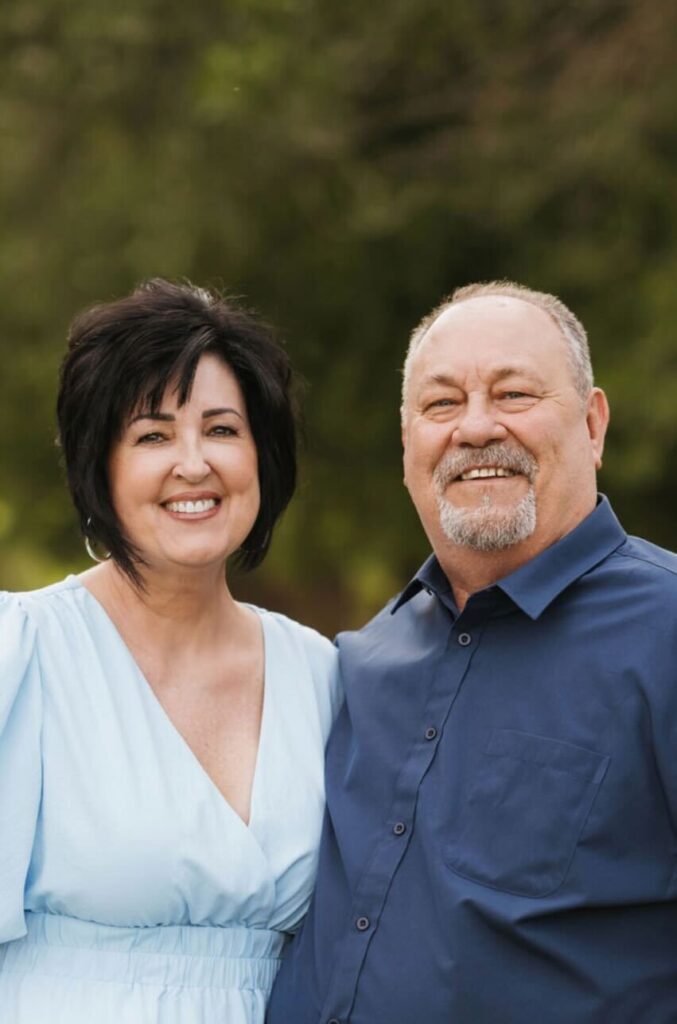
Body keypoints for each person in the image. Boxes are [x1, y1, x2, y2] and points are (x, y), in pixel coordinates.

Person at [267, 280, 677, 1023]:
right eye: (441, 404)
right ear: (406, 445)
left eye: (514, 394)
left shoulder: (666, 631)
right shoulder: (357, 664)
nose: (475, 427)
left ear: (592, 424)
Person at [0, 279, 342, 1023]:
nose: (193, 464)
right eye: (152, 435)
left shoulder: (322, 673)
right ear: (102, 468)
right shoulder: (20, 652)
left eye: (221, 430)